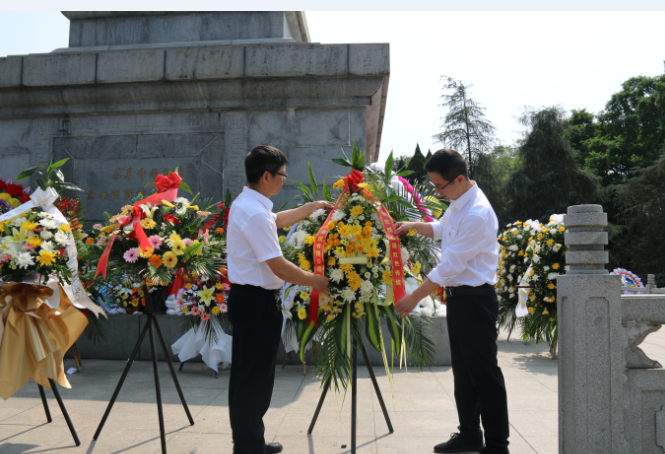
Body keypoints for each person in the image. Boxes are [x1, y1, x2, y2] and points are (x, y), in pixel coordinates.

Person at [394, 149, 510, 454]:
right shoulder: (459, 203)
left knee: (484, 376)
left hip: (476, 301)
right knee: (464, 375)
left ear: (459, 179)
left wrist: (414, 297)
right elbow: (441, 228)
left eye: (439, 186)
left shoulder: (477, 213)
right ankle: (470, 434)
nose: (437, 192)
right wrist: (412, 226)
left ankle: (498, 445)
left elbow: (450, 266)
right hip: (460, 301)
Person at [226, 145, 332, 454]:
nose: (284, 180)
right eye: (282, 175)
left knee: (250, 376)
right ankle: (248, 447)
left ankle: (250, 440)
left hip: (251, 300)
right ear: (266, 176)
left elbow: (277, 219)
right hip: (256, 302)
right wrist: (316, 281)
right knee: (253, 379)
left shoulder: (250, 204)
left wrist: (312, 207)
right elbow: (279, 266)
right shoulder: (254, 212)